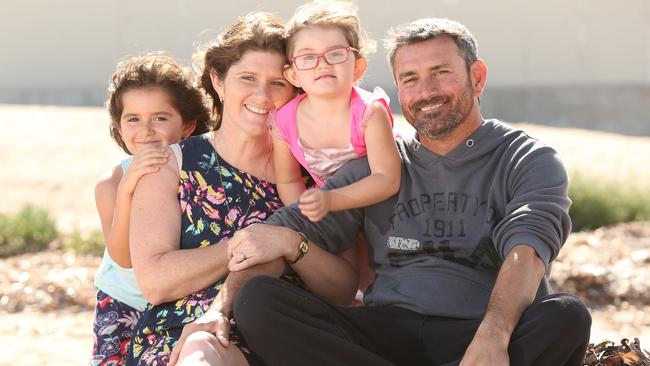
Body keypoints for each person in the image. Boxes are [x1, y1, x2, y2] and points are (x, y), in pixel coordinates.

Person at [228, 17, 592, 366]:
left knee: (565, 317)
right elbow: (271, 235)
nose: (426, 91)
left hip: (478, 335)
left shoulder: (526, 158)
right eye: (410, 79)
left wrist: (493, 335)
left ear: (476, 77)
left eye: (440, 73)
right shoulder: (376, 168)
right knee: (258, 301)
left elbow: (527, 252)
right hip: (385, 337)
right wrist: (216, 312)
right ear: (397, 90)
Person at [124, 12, 360, 366]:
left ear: (296, 87)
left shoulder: (315, 175)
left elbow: (344, 288)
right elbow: (155, 280)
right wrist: (248, 244)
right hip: (181, 333)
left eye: (277, 83)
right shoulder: (172, 164)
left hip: (283, 340)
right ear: (218, 81)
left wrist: (290, 245)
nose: (262, 95)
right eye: (247, 78)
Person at [91, 54, 212, 366]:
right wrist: (130, 186)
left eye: (160, 118)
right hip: (123, 303)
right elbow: (123, 257)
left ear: (187, 126)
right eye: (133, 119)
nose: (145, 130)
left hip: (180, 300)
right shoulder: (111, 183)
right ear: (119, 126)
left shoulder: (199, 175)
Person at [272, 0, 400, 222]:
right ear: (293, 75)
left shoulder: (369, 113)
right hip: (332, 214)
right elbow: (288, 180)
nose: (322, 64)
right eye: (308, 57)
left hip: (386, 209)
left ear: (357, 67)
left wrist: (330, 201)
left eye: (335, 53)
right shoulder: (285, 120)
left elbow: (387, 179)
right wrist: (307, 216)